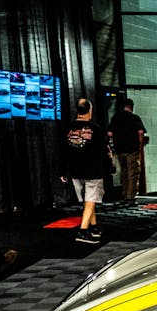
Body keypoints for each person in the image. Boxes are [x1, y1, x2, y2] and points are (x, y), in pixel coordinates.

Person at [61, 98, 113, 244]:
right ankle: (83, 231)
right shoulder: (96, 129)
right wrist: (110, 168)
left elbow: (63, 151)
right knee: (90, 200)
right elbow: (104, 152)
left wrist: (62, 171)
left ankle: (94, 227)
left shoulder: (68, 128)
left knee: (87, 201)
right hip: (93, 171)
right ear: (90, 111)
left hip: (75, 171)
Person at [107, 98, 147, 204]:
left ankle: (124, 194)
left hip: (120, 150)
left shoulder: (116, 118)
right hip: (132, 149)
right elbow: (141, 132)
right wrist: (140, 145)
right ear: (131, 107)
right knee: (132, 173)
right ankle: (130, 196)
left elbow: (109, 133)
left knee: (124, 172)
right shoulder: (134, 118)